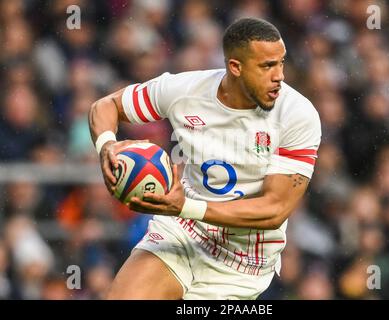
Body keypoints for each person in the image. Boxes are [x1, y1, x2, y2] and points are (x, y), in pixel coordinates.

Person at [88, 17, 321, 300]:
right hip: (182, 233)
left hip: (241, 265)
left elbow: (275, 209)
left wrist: (185, 206)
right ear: (235, 67)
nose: (279, 76)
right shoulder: (185, 90)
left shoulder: (296, 114)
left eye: (281, 63)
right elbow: (107, 105)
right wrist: (106, 145)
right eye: (267, 66)